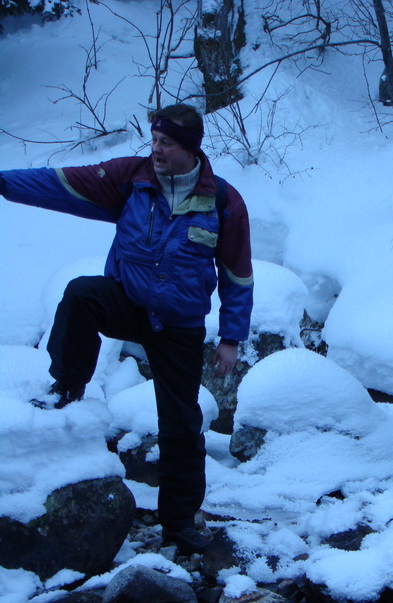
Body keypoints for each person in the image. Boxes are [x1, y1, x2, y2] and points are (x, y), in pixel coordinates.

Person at [0, 103, 253, 553]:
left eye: (166, 143)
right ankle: (68, 384)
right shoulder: (129, 179)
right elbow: (60, 184)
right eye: (153, 140)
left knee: (181, 424)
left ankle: (179, 526)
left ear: (190, 148)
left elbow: (237, 275)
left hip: (179, 324)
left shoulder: (223, 202)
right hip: (129, 302)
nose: (155, 150)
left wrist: (231, 338)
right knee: (81, 294)